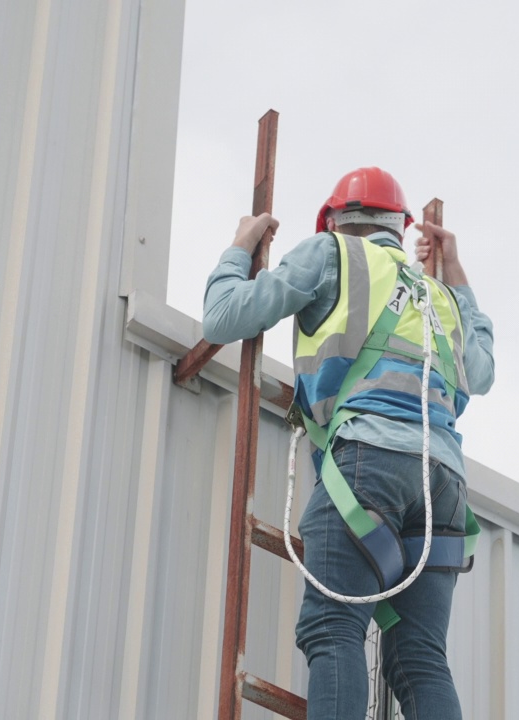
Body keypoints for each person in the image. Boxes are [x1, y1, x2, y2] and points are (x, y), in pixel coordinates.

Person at [202, 167, 495, 719]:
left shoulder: (329, 253)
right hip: (445, 485)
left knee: (333, 626)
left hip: (367, 463)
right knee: (421, 657)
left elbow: (222, 318)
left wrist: (240, 247)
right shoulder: (441, 297)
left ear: (335, 219)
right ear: (401, 226)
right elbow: (481, 374)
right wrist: (456, 274)